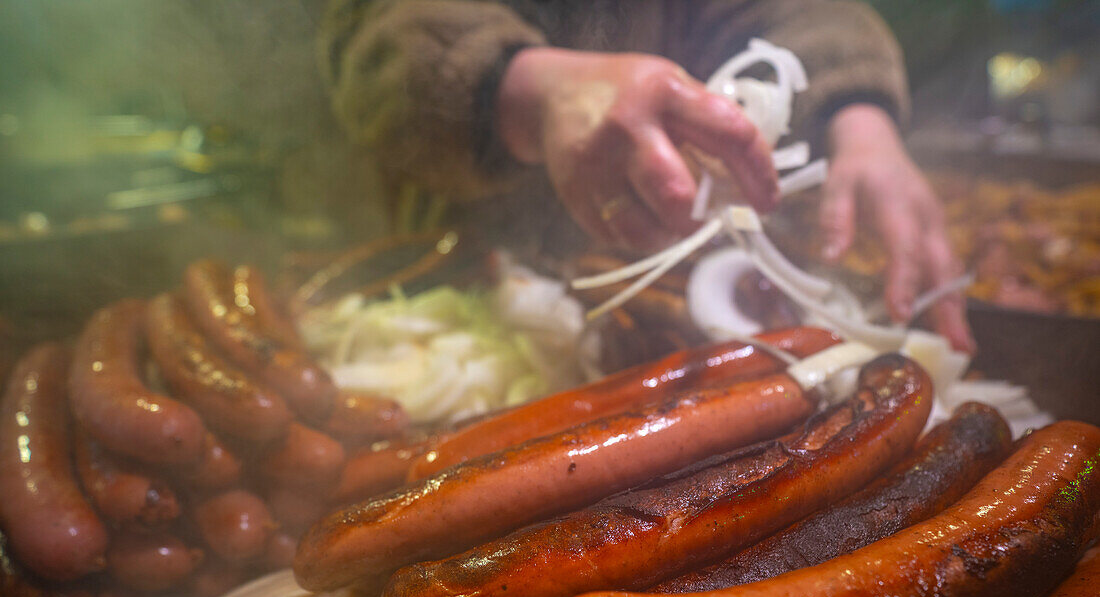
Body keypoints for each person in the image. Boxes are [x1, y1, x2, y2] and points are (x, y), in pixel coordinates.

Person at [318, 0, 975, 353]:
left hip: (663, 284)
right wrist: (530, 88)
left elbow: (794, 9)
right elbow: (374, 35)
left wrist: (858, 115)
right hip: (461, 275)